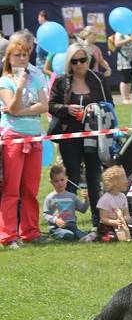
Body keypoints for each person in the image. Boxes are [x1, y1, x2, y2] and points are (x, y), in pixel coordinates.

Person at [49, 42, 113, 227]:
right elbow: (51, 105)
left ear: (88, 60)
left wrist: (95, 109)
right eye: (74, 61)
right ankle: (67, 221)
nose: (79, 64)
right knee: (73, 177)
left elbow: (110, 105)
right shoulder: (62, 81)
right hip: (70, 135)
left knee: (94, 176)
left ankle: (97, 220)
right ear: (69, 62)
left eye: (82, 60)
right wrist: (67, 109)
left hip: (94, 136)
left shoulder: (98, 79)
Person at [0, 39, 48, 247]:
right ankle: (8, 235)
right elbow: (10, 105)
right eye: (17, 55)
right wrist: (19, 89)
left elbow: (43, 106)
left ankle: (30, 231)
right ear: (9, 59)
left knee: (30, 188)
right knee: (11, 189)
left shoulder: (35, 77)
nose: (21, 59)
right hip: (13, 137)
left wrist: (20, 111)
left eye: (24, 55)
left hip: (34, 136)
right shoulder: (4, 81)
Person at [43, 163, 91, 241]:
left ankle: (79, 235)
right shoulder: (50, 197)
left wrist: (86, 199)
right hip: (57, 227)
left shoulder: (72, 196)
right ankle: (54, 235)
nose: (60, 183)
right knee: (68, 235)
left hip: (72, 226)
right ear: (51, 182)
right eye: (56, 181)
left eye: (62, 180)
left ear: (67, 179)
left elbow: (83, 209)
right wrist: (55, 220)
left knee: (85, 236)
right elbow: (45, 214)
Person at [97, 165, 130, 242]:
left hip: (121, 225)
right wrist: (115, 222)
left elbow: (127, 214)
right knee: (112, 238)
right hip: (107, 226)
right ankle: (95, 236)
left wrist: (124, 219)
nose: (126, 181)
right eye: (124, 178)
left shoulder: (123, 196)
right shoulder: (105, 199)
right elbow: (103, 218)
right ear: (115, 182)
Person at [114, 28, 132, 104]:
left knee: (130, 77)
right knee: (125, 78)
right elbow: (117, 43)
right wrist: (129, 39)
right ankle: (124, 98)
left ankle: (128, 97)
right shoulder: (119, 32)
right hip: (124, 58)